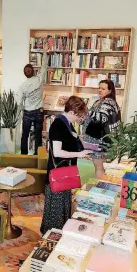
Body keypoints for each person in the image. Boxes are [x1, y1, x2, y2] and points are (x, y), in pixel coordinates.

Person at [40, 96, 89, 234]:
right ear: (72, 112)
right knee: (56, 207)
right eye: (78, 116)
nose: (79, 120)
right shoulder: (58, 125)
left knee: (63, 206)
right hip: (58, 174)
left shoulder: (67, 124)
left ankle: (58, 232)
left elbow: (71, 143)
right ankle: (51, 234)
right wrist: (78, 154)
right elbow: (57, 152)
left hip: (65, 173)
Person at [84, 79, 121, 179]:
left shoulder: (108, 103)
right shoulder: (100, 101)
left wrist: (86, 111)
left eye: (103, 89)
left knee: (99, 167)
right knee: (99, 167)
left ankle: (99, 189)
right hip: (97, 140)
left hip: (100, 142)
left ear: (110, 91)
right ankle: (100, 187)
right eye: (99, 88)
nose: (100, 90)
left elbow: (102, 118)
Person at [19, 44, 49, 155]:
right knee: (38, 134)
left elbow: (19, 103)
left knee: (25, 134)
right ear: (33, 71)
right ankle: (37, 156)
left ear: (24, 74)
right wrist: (45, 52)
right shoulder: (39, 79)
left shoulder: (22, 86)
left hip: (27, 112)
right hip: (38, 112)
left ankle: (23, 155)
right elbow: (44, 66)